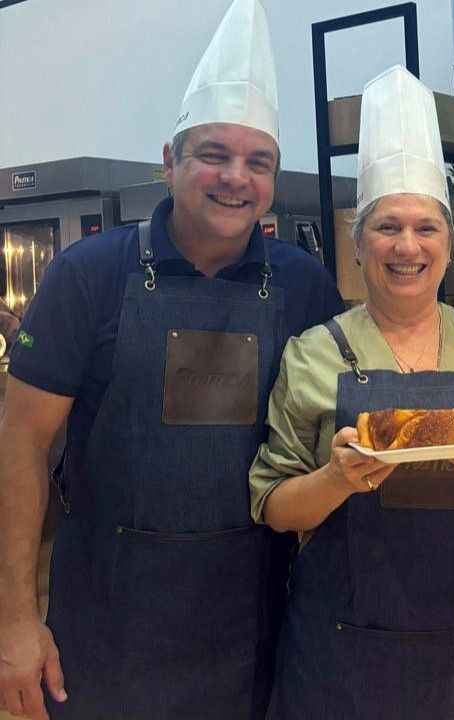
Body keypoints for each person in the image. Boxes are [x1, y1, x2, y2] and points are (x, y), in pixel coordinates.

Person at [0, 2, 346, 719]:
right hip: (107, 627)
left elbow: (364, 392)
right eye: (213, 154)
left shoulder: (304, 284)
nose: (235, 178)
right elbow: (21, 445)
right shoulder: (88, 275)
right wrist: (13, 620)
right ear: (169, 161)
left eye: (258, 162)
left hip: (257, 625)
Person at [248, 65, 454, 720]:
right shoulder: (313, 352)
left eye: (426, 228)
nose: (407, 246)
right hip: (343, 654)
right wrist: (336, 479)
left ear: (449, 244)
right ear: (358, 245)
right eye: (387, 227)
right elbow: (274, 506)